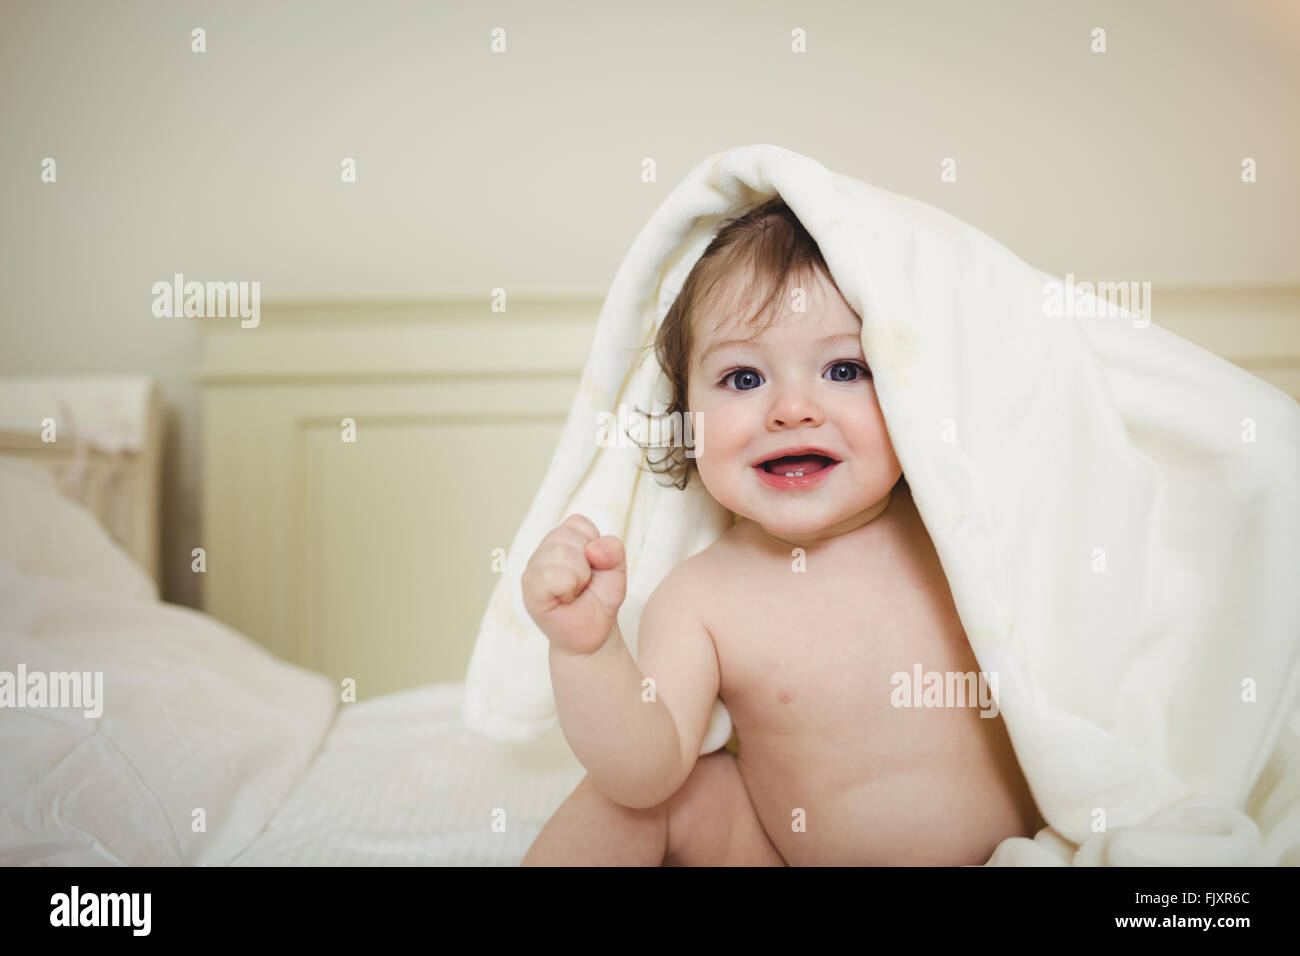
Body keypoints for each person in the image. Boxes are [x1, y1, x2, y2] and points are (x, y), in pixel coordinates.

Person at [520, 197, 1043, 865]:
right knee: (648, 801)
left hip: (1004, 857)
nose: (792, 410)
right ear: (686, 418)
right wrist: (587, 653)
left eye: (845, 370)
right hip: (780, 856)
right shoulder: (702, 599)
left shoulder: (960, 534)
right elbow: (643, 772)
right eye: (743, 378)